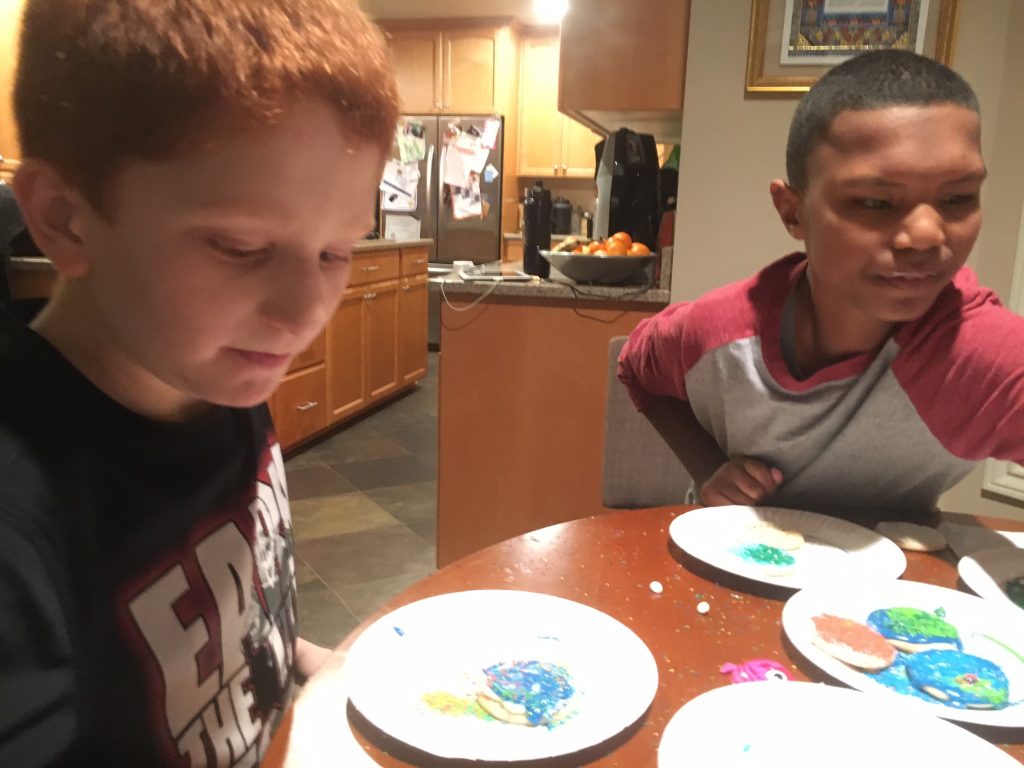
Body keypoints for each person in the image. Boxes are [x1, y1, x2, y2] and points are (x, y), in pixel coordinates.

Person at [0, 0, 398, 765]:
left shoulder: (214, 373)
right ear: (63, 219)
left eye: (336, 252)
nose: (302, 313)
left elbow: (227, 647)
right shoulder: (22, 528)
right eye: (241, 246)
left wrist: (333, 672)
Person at [618, 49, 1024, 523]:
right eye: (875, 202)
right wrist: (709, 470)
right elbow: (638, 367)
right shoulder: (719, 333)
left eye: (957, 198)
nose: (929, 236)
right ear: (793, 212)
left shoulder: (973, 353)